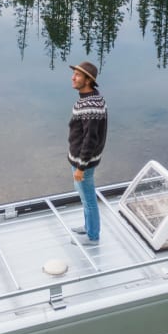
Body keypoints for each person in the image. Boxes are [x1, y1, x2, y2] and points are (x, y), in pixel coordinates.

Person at [67, 61, 107, 246]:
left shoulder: (90, 106)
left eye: (78, 75)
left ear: (88, 80)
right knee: (84, 197)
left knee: (89, 199)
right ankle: (88, 226)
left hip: (84, 162)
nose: (73, 78)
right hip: (80, 159)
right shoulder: (92, 99)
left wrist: (81, 168)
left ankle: (93, 236)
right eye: (74, 74)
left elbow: (90, 140)